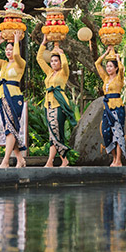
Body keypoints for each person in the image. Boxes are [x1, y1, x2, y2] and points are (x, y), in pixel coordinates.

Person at [0, 30, 27, 168]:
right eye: (7, 49)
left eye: (11, 49)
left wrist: (16, 40)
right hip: (3, 97)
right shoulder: (3, 64)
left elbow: (16, 54)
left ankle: (5, 161)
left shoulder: (20, 63)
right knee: (9, 128)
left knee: (11, 128)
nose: (9, 52)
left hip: (14, 97)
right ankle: (20, 159)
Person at [37, 36, 76, 167]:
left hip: (59, 105)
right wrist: (43, 43)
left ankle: (64, 159)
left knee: (57, 132)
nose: (53, 63)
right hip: (48, 104)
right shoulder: (49, 73)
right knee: (51, 134)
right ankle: (50, 161)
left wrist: (61, 53)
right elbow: (39, 59)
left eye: (56, 61)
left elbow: (65, 64)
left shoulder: (63, 73)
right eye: (52, 61)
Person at [95, 46, 126, 167]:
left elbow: (122, 68)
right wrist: (106, 53)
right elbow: (97, 64)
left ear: (116, 68)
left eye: (110, 66)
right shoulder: (105, 78)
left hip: (117, 108)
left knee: (118, 133)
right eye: (107, 66)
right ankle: (114, 158)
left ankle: (118, 160)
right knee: (106, 133)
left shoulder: (119, 77)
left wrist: (118, 59)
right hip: (107, 108)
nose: (108, 68)